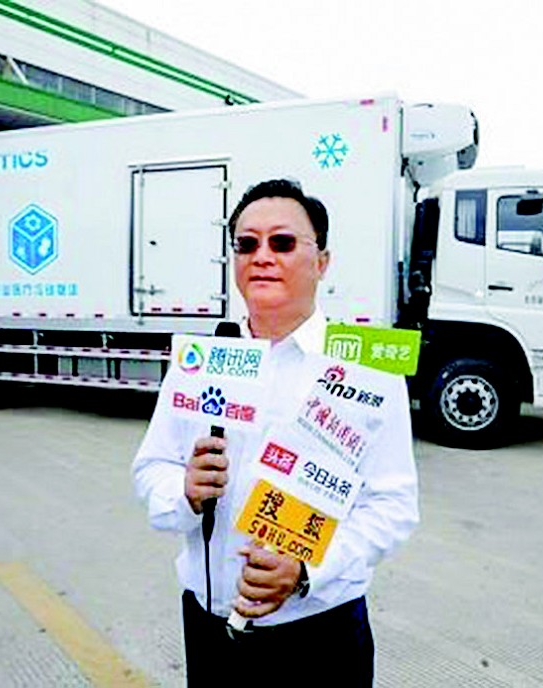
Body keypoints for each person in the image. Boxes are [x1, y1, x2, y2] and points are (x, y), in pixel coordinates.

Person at [132, 179, 418, 686]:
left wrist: (307, 570)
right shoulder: (201, 361)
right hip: (209, 625)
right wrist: (185, 491)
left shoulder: (369, 370)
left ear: (322, 262)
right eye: (247, 244)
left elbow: (393, 506)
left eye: (282, 243)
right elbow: (152, 466)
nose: (262, 257)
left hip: (319, 634)